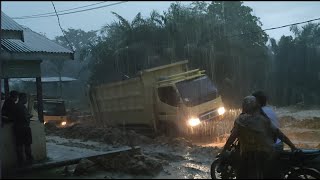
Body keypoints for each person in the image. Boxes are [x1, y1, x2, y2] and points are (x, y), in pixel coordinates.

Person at [221, 96, 297, 179]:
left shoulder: (240, 120)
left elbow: (232, 138)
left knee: (241, 174)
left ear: (244, 107)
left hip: (249, 156)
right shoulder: (264, 119)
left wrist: (224, 150)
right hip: (268, 154)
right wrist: (292, 146)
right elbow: (279, 133)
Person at [13, 93, 34, 166]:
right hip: (24, 128)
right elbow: (25, 117)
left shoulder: (16, 106)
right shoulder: (22, 107)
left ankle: (20, 161)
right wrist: (29, 116)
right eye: (25, 99)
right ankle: (29, 160)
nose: (26, 100)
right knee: (27, 145)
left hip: (17, 128)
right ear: (22, 98)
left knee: (19, 145)